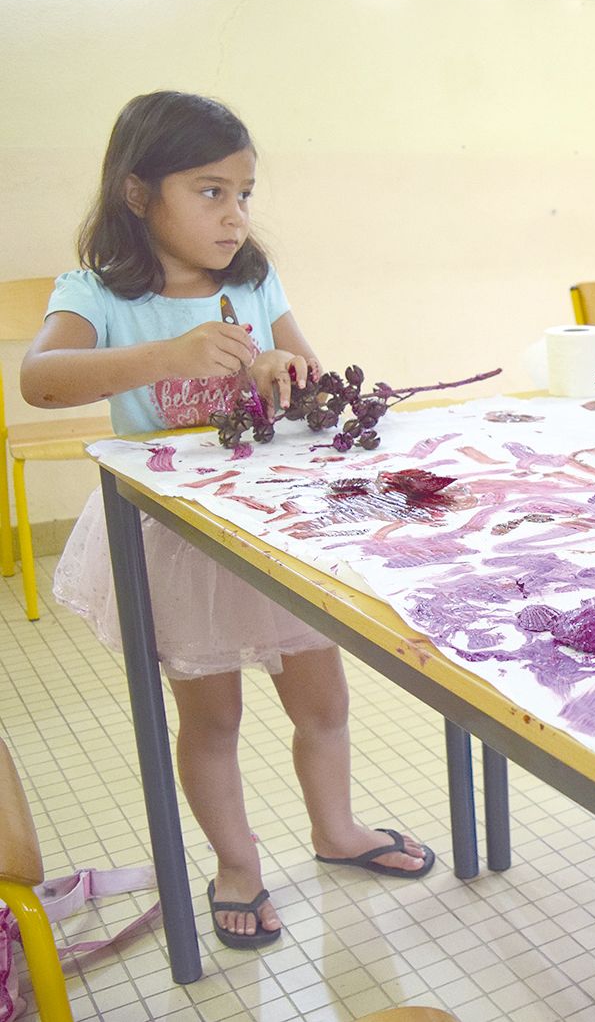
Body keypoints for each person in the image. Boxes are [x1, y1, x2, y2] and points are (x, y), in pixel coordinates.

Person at [21, 92, 434, 951]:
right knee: (212, 721)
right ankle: (237, 865)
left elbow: (309, 375)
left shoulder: (252, 280)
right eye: (210, 191)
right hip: (178, 541)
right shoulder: (95, 291)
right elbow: (42, 379)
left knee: (324, 700)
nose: (235, 215)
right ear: (138, 195)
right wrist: (164, 356)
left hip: (271, 526)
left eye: (244, 193)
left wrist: (292, 368)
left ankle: (338, 829)